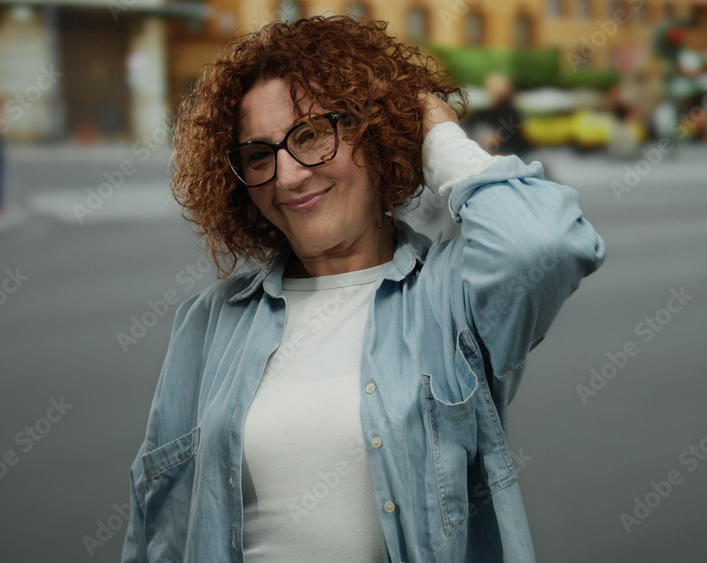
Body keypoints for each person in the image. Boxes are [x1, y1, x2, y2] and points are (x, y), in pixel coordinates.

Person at [121, 15, 604, 563]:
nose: (287, 176)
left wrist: (437, 132)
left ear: (375, 134)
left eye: (312, 135)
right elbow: (156, 524)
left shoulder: (449, 298)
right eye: (259, 155)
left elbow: (545, 244)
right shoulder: (210, 322)